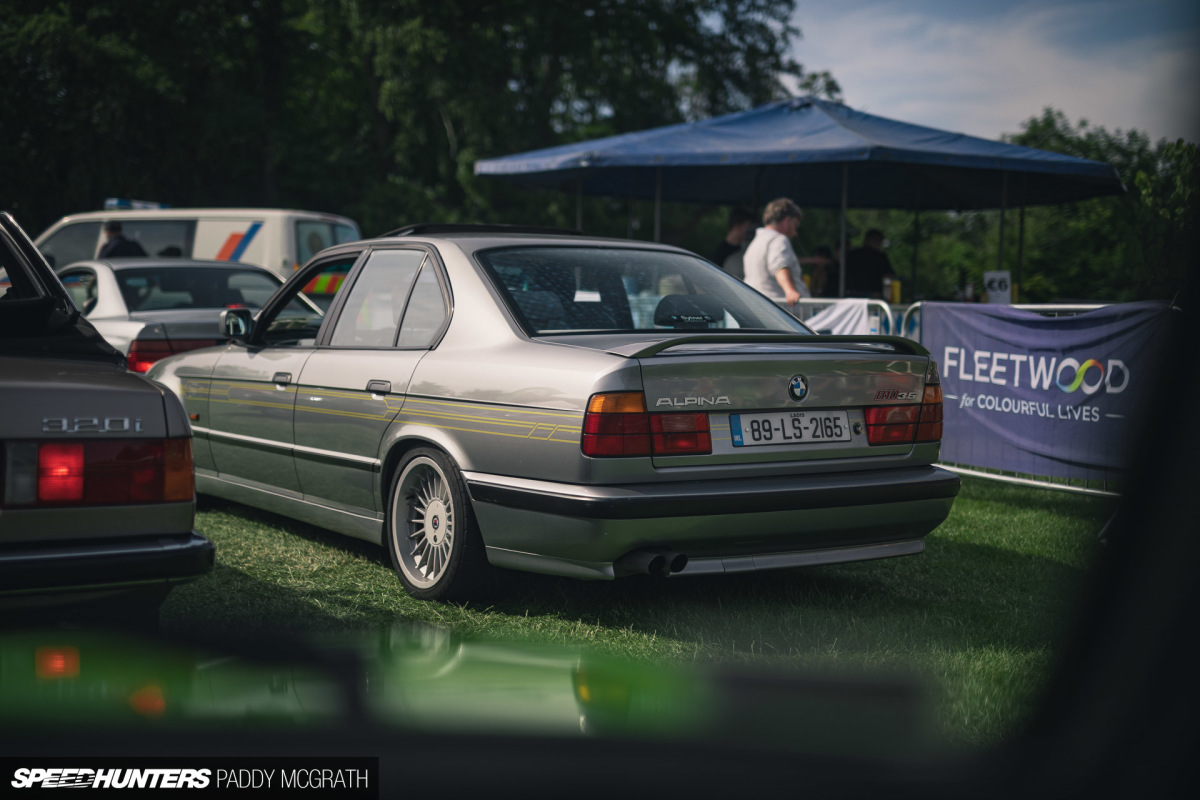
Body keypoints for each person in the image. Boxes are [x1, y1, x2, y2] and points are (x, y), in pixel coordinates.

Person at [741, 198, 810, 306]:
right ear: (788, 221)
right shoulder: (778, 239)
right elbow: (779, 265)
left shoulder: (755, 243)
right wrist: (790, 291)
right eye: (795, 225)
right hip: (779, 311)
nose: (795, 233)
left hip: (757, 307)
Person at [843, 228, 895, 298]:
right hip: (873, 295)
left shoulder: (852, 255)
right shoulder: (879, 257)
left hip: (850, 294)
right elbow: (888, 276)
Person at [708, 205, 756, 280]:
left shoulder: (746, 250)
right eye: (747, 227)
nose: (749, 231)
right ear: (737, 226)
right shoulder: (718, 253)